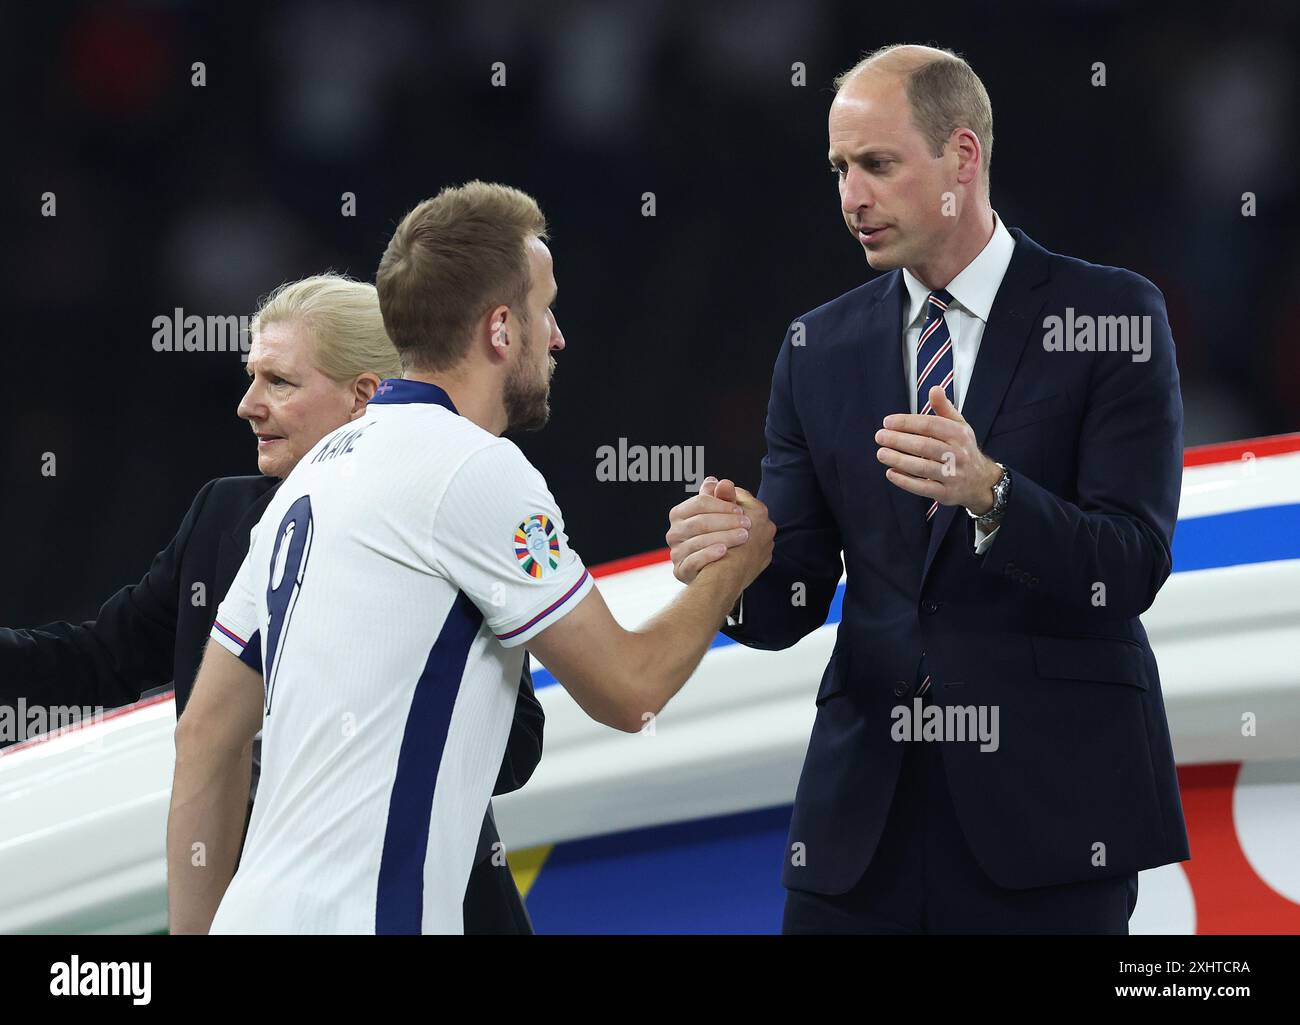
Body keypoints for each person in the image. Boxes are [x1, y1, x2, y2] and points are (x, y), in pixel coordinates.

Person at [666, 44, 1189, 934]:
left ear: (962, 157)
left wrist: (993, 495)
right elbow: (794, 600)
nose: (850, 198)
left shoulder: (1111, 317)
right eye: (838, 169)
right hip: (860, 833)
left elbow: (1131, 565)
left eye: (876, 164)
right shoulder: (816, 347)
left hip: (1051, 828)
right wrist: (733, 560)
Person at [165, 181, 774, 934]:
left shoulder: (310, 479)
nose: (557, 337)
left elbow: (204, 735)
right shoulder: (476, 469)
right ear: (498, 330)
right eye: (544, 309)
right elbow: (630, 690)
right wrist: (731, 566)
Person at [0, 273, 543, 934]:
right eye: (252, 376)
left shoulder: (444, 521)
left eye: (279, 382)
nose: (247, 404)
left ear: (362, 397)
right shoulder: (222, 515)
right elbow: (100, 659)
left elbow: (516, 745)